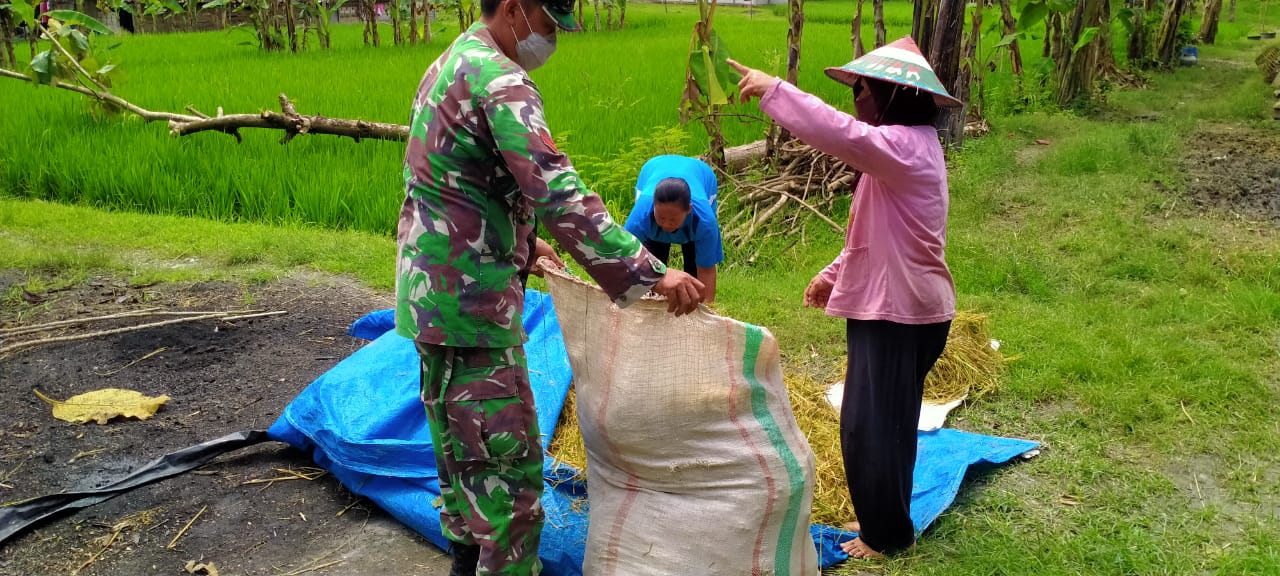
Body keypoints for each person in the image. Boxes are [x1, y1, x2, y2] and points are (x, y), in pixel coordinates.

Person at [396, 0, 705, 575]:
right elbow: (558, 193)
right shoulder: (501, 79)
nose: (551, 34)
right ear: (515, 7)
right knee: (508, 485)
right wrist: (650, 270)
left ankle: (466, 563)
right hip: (473, 308)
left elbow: (458, 179)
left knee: (463, 463)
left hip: (430, 299)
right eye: (549, 20)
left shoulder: (452, 61)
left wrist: (524, 240)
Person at [730, 36, 958, 560]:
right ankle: (885, 516)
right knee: (883, 423)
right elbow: (878, 232)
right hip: (899, 306)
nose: (856, 99)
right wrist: (834, 273)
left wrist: (775, 90)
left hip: (900, 312)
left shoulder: (904, 146)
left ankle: (885, 536)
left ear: (892, 95)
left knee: (871, 426)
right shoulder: (905, 151)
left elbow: (840, 134)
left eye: (861, 89)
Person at [623, 155, 723, 302]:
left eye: (673, 219)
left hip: (701, 174)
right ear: (653, 206)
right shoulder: (640, 216)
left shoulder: (704, 222)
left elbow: (706, 269)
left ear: (688, 209)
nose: (666, 224)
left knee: (693, 271)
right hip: (654, 168)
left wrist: (707, 313)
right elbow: (626, 260)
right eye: (661, 218)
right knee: (653, 266)